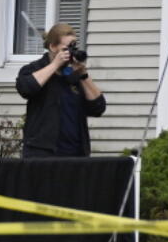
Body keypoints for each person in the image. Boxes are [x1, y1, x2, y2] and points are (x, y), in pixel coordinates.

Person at [16, 22, 106, 158]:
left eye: (73, 47)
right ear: (53, 47)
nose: (71, 52)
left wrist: (83, 74)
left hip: (75, 155)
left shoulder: (74, 75)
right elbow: (26, 88)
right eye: (67, 48)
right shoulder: (34, 69)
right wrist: (55, 65)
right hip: (42, 154)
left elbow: (98, 108)